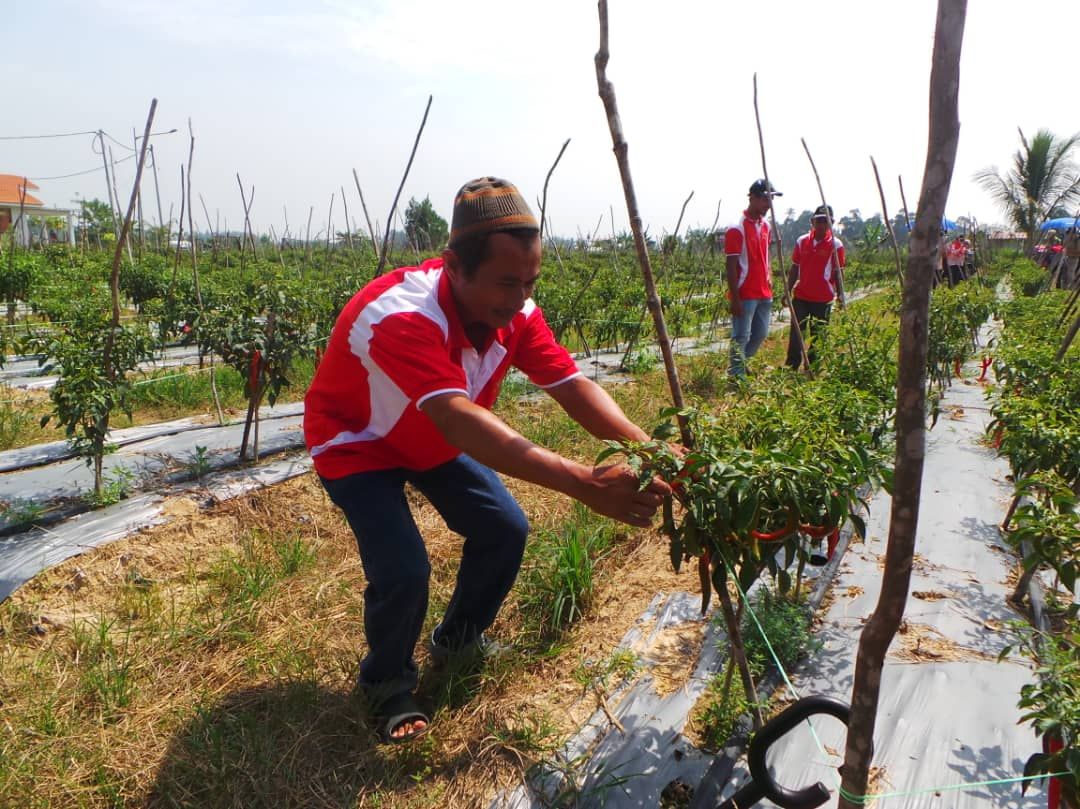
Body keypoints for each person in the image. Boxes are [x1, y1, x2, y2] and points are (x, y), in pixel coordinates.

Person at [303, 177, 670, 743]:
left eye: (530, 281)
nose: (520, 297)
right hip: (360, 443)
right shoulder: (401, 313)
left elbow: (572, 385)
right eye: (506, 282)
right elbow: (457, 417)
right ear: (453, 264)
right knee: (403, 568)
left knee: (504, 528)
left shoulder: (515, 312)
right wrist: (583, 482)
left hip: (434, 441)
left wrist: (650, 451)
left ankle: (458, 638)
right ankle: (387, 685)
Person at [725, 179, 780, 378]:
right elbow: (730, 265)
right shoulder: (736, 228)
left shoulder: (766, 226)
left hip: (764, 290)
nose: (769, 204)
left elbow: (767, 255)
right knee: (741, 335)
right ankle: (736, 376)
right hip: (745, 292)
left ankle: (739, 365)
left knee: (761, 333)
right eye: (766, 199)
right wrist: (735, 297)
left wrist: (770, 276)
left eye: (771, 199)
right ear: (753, 198)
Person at [785, 205, 845, 369]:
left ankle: (812, 366)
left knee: (818, 335)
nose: (822, 225)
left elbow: (838, 272)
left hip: (823, 299)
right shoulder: (802, 241)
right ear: (812, 222)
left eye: (826, 222)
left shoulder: (836, 245)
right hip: (801, 296)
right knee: (797, 332)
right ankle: (792, 365)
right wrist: (787, 290)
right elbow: (795, 267)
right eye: (819, 221)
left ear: (831, 223)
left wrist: (840, 295)